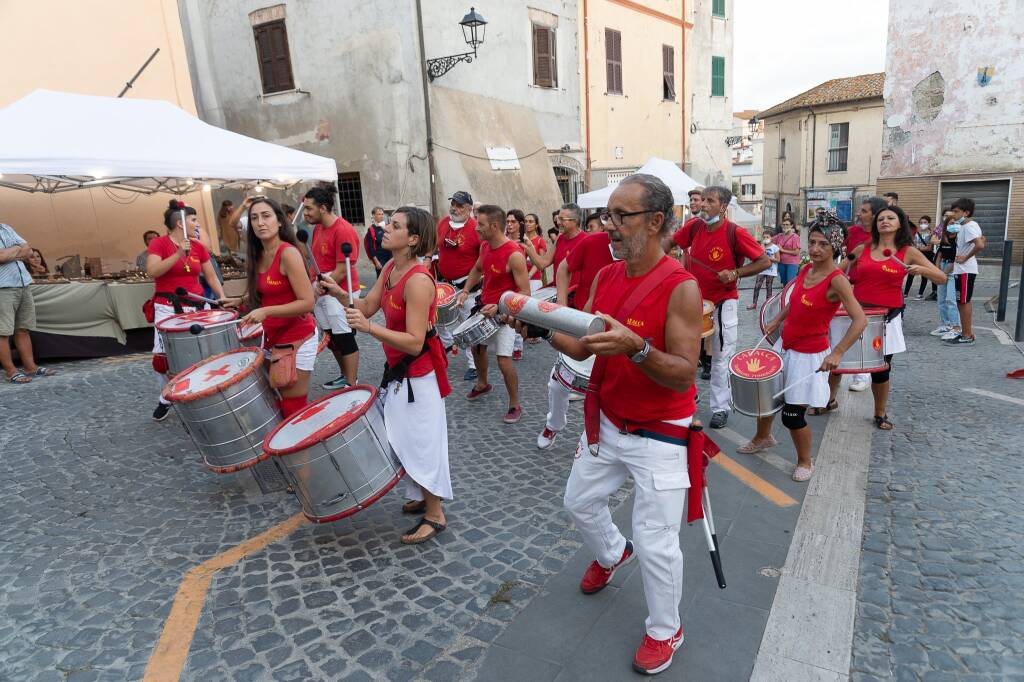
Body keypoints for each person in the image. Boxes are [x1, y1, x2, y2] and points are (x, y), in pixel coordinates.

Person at [538, 174, 702, 676]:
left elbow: (683, 374)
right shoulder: (608, 278)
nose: (607, 226)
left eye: (619, 217)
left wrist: (639, 348)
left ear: (654, 222)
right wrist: (535, 322)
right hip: (608, 423)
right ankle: (613, 553)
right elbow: (583, 344)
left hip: (659, 433)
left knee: (656, 539)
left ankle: (664, 629)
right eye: (606, 215)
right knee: (577, 502)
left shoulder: (682, 287)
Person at [320, 207, 453, 544]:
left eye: (394, 226)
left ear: (412, 239)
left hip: (418, 376)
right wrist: (337, 291)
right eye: (387, 224)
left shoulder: (419, 281)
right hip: (399, 374)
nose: (384, 230)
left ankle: (435, 514)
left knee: (421, 442)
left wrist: (371, 329)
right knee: (401, 436)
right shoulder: (392, 267)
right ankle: (422, 496)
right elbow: (366, 307)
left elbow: (414, 342)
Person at [739, 222, 867, 481]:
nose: (816, 249)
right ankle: (763, 437)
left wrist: (838, 353)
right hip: (785, 344)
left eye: (824, 244)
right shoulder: (806, 268)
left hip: (809, 355)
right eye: (813, 242)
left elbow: (861, 320)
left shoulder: (838, 281)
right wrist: (778, 319)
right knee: (765, 396)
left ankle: (805, 461)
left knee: (792, 415)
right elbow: (795, 298)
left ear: (836, 247)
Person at [817, 206, 946, 429]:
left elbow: (942, 277)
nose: (884, 221)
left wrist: (920, 269)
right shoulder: (861, 248)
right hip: (856, 314)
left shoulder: (908, 251)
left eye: (890, 218)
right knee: (837, 361)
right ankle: (828, 400)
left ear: (899, 224)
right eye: (881, 218)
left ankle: (880, 412)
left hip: (887, 317)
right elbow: (836, 271)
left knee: (882, 368)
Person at [672, 186, 770, 429]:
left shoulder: (735, 232)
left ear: (723, 207)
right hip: (693, 302)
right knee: (686, 354)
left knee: (720, 357)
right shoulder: (694, 227)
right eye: (702, 200)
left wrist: (736, 272)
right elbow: (671, 242)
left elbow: (764, 261)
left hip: (724, 302)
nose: (702, 204)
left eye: (709, 201)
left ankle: (720, 407)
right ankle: (686, 400)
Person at [220, 198, 316, 418]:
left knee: (292, 406)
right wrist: (242, 301)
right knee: (274, 400)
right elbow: (270, 291)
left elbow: (307, 302)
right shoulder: (258, 254)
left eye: (266, 216)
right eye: (254, 218)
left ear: (280, 222)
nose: (260, 222)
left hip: (298, 336)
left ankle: (301, 452)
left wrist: (266, 312)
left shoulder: (288, 253)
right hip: (273, 335)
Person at [536, 212, 615, 449]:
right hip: (584, 321)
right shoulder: (592, 242)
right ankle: (553, 425)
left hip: (619, 334)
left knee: (609, 389)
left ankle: (602, 437)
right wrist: (561, 309)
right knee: (558, 381)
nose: (610, 224)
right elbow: (563, 268)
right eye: (609, 217)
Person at [147, 200, 225, 420]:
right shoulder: (159, 244)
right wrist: (178, 254)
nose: (197, 224)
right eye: (193, 220)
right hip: (168, 308)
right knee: (160, 359)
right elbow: (153, 270)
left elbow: (210, 276)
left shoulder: (198, 246)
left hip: (198, 305)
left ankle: (203, 394)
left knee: (205, 354)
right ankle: (166, 396)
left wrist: (222, 297)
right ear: (180, 224)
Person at [457, 204, 532, 423]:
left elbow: (525, 292)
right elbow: (478, 269)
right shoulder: (485, 247)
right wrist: (466, 290)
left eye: (480, 224)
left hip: (505, 315)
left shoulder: (514, 255)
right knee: (477, 347)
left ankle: (515, 404)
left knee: (503, 360)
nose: (476, 229)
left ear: (494, 226)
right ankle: (482, 384)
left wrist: (500, 308)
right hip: (484, 309)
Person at [303, 186, 361, 390]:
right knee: (331, 338)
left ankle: (352, 384)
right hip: (322, 289)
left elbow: (342, 270)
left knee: (344, 337)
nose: (305, 213)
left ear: (323, 208)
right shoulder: (318, 227)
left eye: (309, 209)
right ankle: (344, 375)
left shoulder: (343, 230)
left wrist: (320, 288)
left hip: (340, 291)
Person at [434, 191, 481, 381]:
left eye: (460, 205)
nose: (455, 207)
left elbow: (483, 256)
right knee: (438, 319)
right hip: (445, 284)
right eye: (453, 203)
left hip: (467, 287)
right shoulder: (444, 223)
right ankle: (447, 344)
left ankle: (474, 365)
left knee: (467, 325)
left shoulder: (476, 228)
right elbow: (435, 245)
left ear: (469, 209)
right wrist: (430, 257)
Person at [843, 197, 887, 393]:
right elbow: (845, 257)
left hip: (872, 289)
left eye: (864, 211)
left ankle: (863, 372)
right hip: (850, 285)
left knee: (867, 330)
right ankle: (853, 371)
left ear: (875, 214)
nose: (859, 214)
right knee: (849, 327)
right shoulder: (852, 232)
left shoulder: (885, 237)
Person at [0, 222, 50, 384]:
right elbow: (0, 257)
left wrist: (12, 252)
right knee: (2, 332)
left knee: (22, 328)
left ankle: (30, 367)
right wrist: (17, 249)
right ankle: (11, 371)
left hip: (23, 283)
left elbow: (28, 250)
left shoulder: (6, 227)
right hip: (3, 286)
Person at [522, 203, 588, 302]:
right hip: (554, 291)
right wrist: (529, 247)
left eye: (562, 219)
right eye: (558, 218)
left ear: (575, 221)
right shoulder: (560, 238)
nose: (557, 222)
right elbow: (542, 264)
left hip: (573, 296)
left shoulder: (585, 240)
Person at [944, 198, 986, 346]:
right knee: (961, 302)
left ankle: (967, 335)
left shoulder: (969, 226)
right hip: (961, 270)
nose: (953, 214)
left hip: (965, 270)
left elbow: (980, 244)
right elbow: (983, 239)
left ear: (966, 212)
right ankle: (965, 333)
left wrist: (966, 257)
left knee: (963, 302)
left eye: (956, 211)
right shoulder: (964, 226)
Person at [930, 218, 962, 339]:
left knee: (951, 299)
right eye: (950, 223)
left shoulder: (959, 239)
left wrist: (945, 272)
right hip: (943, 266)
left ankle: (956, 327)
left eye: (955, 223)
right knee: (941, 299)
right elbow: (939, 254)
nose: (953, 225)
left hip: (953, 269)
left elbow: (957, 259)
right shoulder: (944, 238)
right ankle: (946, 324)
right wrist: (937, 270)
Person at [505, 209, 528, 360]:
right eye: (507, 221)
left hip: (518, 282)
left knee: (516, 314)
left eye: (513, 221)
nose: (509, 224)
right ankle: (507, 345)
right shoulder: (503, 240)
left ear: (520, 224)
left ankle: (518, 346)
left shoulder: (525, 242)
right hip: (505, 282)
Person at [904, 216, 937, 300]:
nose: (923, 224)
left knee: (924, 274)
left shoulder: (931, 234)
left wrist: (918, 248)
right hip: (916, 255)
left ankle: (920, 293)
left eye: (925, 222)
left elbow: (930, 248)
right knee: (911, 273)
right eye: (921, 223)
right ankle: (906, 292)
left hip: (927, 256)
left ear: (929, 223)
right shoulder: (916, 233)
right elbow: (913, 244)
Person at [747, 234, 779, 309]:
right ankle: (754, 304)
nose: (765, 238)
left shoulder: (775, 247)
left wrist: (767, 257)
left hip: (771, 270)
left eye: (767, 237)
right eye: (764, 237)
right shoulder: (760, 247)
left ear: (771, 238)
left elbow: (778, 259)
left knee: (769, 286)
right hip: (761, 269)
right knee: (757, 286)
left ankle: (768, 304)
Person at [363, 206, 392, 277]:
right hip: (380, 259)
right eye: (379, 214)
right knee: (381, 279)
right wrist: (376, 262)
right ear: (373, 215)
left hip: (390, 257)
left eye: (382, 214)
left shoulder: (387, 226)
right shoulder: (371, 229)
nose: (381, 216)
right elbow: (371, 247)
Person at [772, 216, 801, 285]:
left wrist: (783, 250)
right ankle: (786, 295)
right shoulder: (779, 236)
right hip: (781, 262)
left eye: (787, 224)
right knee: (784, 283)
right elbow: (769, 241)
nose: (785, 226)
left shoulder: (795, 237)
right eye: (783, 224)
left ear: (791, 225)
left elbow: (796, 252)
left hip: (792, 263)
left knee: (790, 283)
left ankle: (791, 296)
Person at [523, 212, 548, 289]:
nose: (527, 224)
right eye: (526, 221)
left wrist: (529, 276)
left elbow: (540, 262)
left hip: (534, 280)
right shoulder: (520, 239)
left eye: (531, 221)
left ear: (536, 225)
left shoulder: (540, 241)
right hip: (519, 278)